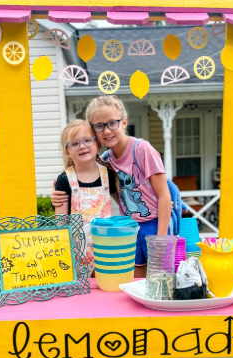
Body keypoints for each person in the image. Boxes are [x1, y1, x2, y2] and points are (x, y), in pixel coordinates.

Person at [52, 96, 174, 278]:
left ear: (124, 122)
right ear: (96, 133)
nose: (107, 130)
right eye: (100, 126)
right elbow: (119, 196)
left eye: (112, 123)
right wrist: (58, 193)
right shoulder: (107, 161)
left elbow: (164, 194)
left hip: (155, 226)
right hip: (127, 230)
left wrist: (161, 239)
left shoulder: (142, 149)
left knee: (161, 278)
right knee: (134, 282)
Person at [55, 119, 118, 277]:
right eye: (75, 143)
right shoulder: (64, 180)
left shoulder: (107, 174)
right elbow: (60, 222)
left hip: (106, 248)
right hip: (77, 254)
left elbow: (124, 204)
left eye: (87, 140)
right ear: (67, 151)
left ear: (97, 145)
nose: (82, 146)